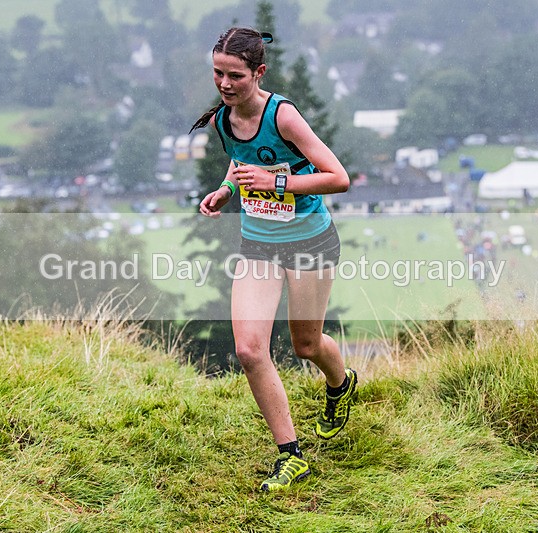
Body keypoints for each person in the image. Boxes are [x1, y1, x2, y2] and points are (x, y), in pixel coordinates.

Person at [191, 27, 357, 492]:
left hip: (309, 241)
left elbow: (338, 177)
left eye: (236, 76)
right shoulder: (223, 120)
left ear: (259, 72)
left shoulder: (283, 115)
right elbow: (242, 160)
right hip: (259, 244)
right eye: (218, 73)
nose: (225, 84)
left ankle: (340, 384)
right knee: (249, 350)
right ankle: (291, 456)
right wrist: (227, 189)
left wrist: (276, 183)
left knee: (306, 345)